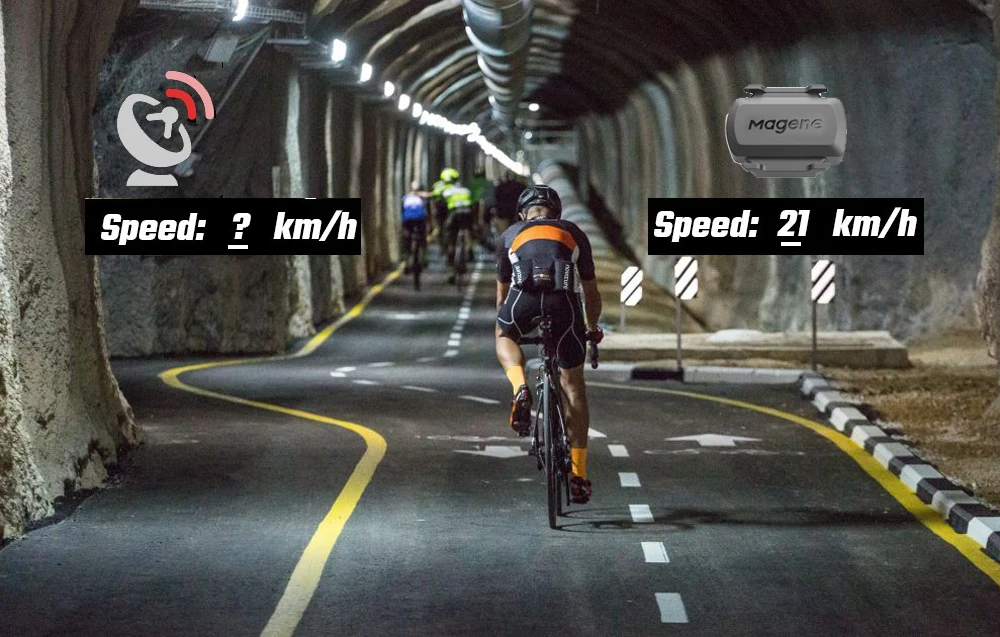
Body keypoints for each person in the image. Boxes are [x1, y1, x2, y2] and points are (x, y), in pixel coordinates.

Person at [494, 184, 604, 504]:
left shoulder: (509, 235)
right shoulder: (573, 232)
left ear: (522, 214)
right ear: (557, 213)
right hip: (563, 305)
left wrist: (506, 322)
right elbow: (591, 292)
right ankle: (579, 475)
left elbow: (502, 296)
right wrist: (591, 328)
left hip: (523, 301)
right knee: (573, 386)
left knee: (503, 335)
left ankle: (519, 386)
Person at [442, 172, 475, 283]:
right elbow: (473, 204)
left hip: (455, 214)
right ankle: (468, 249)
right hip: (467, 214)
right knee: (467, 230)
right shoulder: (466, 191)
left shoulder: (448, 192)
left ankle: (451, 271)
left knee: (451, 237)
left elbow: (443, 207)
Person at [401, 180, 430, 283]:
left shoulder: (405, 197)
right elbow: (427, 213)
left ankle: (406, 262)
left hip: (408, 221)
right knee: (422, 238)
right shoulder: (422, 198)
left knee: (406, 239)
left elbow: (402, 211)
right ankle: (424, 258)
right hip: (419, 221)